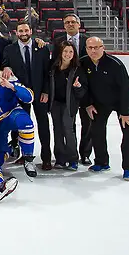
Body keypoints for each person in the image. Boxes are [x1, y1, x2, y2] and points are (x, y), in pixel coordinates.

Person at [80, 37, 129, 180]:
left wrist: (125, 112)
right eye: (90, 48)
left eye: (96, 47)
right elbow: (83, 86)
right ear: (86, 48)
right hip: (100, 103)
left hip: (121, 102)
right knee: (97, 130)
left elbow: (126, 90)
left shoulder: (115, 64)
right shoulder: (83, 62)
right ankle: (102, 161)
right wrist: (87, 104)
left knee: (128, 132)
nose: (93, 50)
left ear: (103, 47)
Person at [2, 21, 52, 170]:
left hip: (39, 94)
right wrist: (6, 66)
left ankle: (46, 157)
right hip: (20, 94)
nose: (23, 34)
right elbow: (4, 65)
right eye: (20, 31)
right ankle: (24, 155)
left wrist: (46, 91)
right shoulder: (10, 49)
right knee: (20, 126)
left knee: (43, 126)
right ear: (16, 33)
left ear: (31, 31)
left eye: (26, 30)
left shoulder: (42, 48)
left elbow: (47, 73)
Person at [52, 13, 92, 165]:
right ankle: (64, 156)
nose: (70, 24)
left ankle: (85, 153)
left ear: (79, 24)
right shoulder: (58, 41)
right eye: (67, 22)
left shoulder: (88, 40)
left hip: (84, 88)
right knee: (66, 126)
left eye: (73, 22)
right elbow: (54, 65)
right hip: (65, 92)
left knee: (86, 124)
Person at [49, 41, 88, 171]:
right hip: (55, 103)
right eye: (65, 51)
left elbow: (82, 92)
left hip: (69, 104)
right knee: (57, 130)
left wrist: (78, 87)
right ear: (61, 52)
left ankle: (73, 159)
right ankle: (60, 158)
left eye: (71, 51)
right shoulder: (53, 67)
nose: (68, 54)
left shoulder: (77, 69)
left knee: (68, 130)